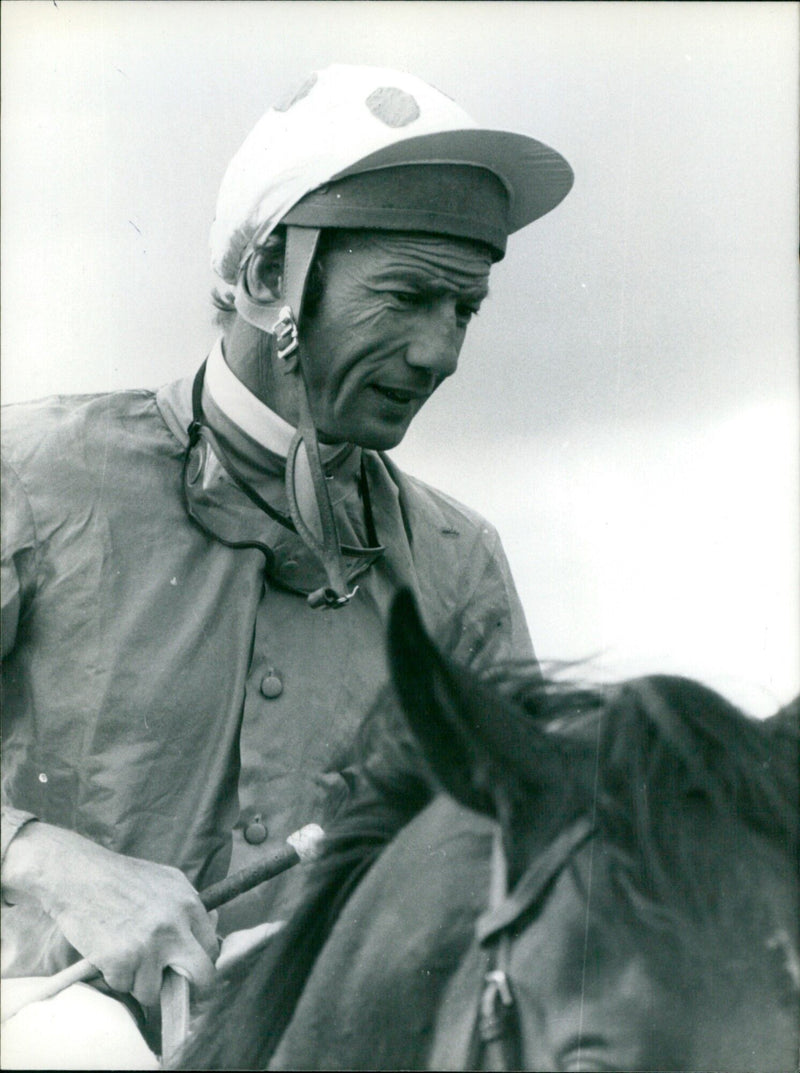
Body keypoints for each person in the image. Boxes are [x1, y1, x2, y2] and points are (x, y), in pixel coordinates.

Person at [0, 63, 572, 1065]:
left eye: (464, 309)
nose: (441, 351)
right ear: (269, 278)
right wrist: (51, 860)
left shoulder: (459, 561)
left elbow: (519, 855)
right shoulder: (36, 474)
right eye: (408, 296)